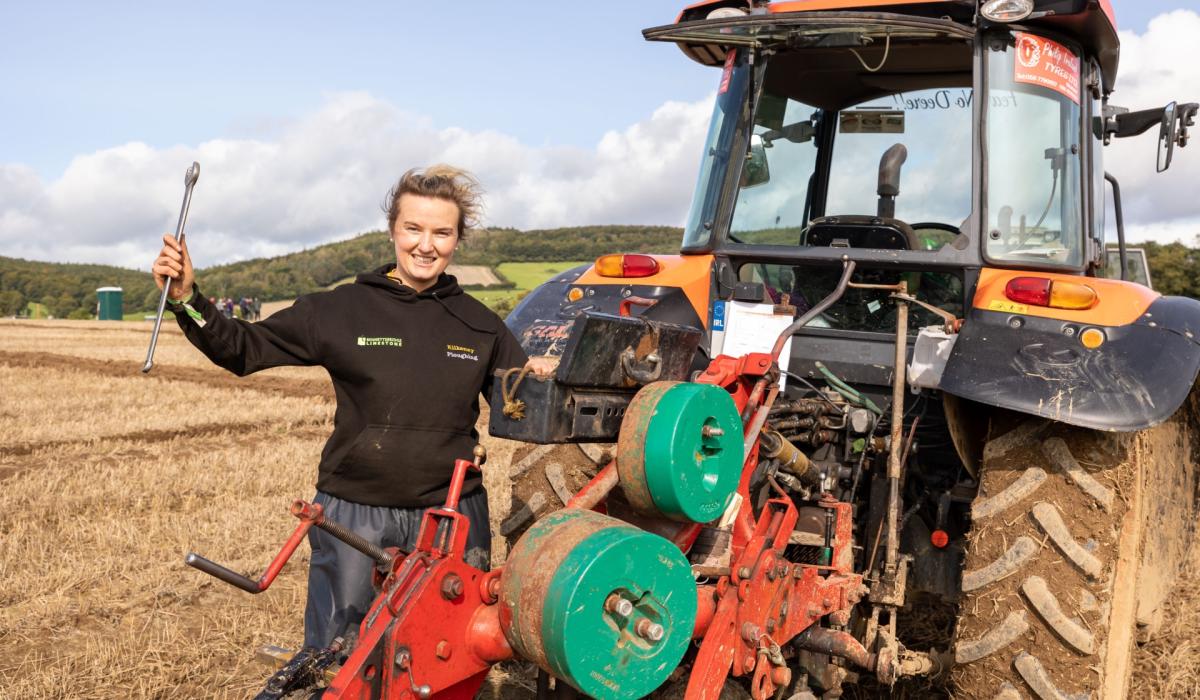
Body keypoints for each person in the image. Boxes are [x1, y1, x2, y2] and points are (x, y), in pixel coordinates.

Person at [151, 164, 552, 651]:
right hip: (354, 514)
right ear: (392, 231)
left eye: (441, 233)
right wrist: (187, 298)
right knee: (341, 657)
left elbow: (519, 407)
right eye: (414, 229)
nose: (426, 245)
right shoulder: (340, 311)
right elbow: (243, 348)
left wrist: (544, 379)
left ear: (457, 239)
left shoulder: (480, 324)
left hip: (452, 518)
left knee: (446, 655)